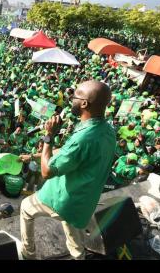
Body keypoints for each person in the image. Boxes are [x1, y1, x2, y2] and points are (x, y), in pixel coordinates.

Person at [19, 80, 116, 260]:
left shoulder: (83, 138)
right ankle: (79, 257)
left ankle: (28, 253)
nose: (71, 98)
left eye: (75, 95)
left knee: (25, 207)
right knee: (74, 235)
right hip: (84, 201)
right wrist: (33, 156)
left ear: (85, 103)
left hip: (63, 198)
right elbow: (69, 152)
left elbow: (46, 172)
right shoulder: (107, 129)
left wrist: (49, 136)